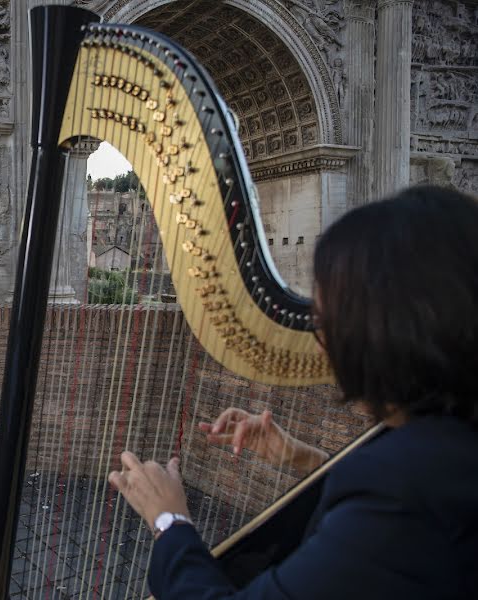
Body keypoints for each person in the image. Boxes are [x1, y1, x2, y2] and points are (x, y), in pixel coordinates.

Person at [108, 185, 478, 599]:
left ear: (385, 329)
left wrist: (169, 522)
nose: (318, 340)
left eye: (325, 319)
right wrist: (304, 458)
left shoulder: (400, 491)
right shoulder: (447, 441)